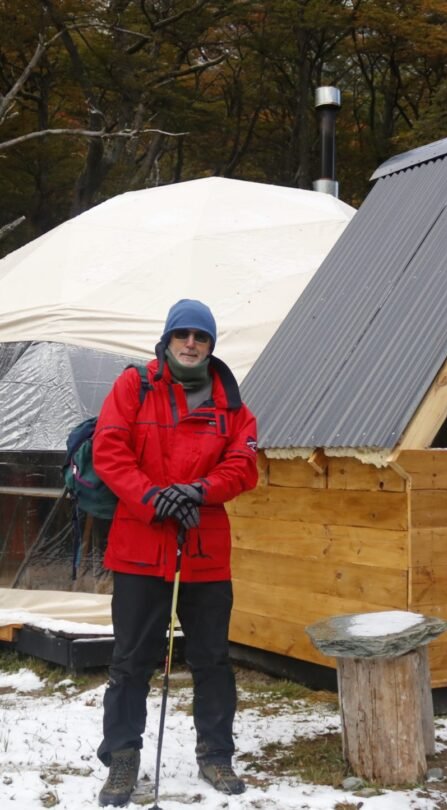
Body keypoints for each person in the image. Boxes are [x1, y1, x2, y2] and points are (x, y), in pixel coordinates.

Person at [93, 299, 258, 807]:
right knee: (131, 661)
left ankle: (215, 752)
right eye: (182, 334)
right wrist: (153, 497)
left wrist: (198, 492)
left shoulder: (232, 404)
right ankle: (122, 758)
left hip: (204, 550)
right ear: (167, 341)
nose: (191, 343)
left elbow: (244, 463)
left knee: (211, 658)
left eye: (201, 337)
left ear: (210, 346)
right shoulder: (133, 387)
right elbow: (110, 450)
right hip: (140, 547)